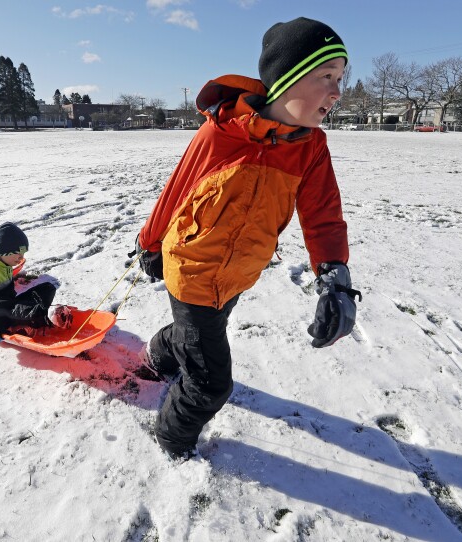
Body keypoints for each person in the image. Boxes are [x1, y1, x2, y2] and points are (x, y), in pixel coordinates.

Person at [134, 17, 360, 461]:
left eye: (340, 78)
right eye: (326, 77)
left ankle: (158, 358)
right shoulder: (220, 133)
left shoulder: (311, 147)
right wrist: (151, 241)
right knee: (211, 384)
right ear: (288, 79)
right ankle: (173, 441)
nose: (337, 92)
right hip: (193, 269)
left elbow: (324, 215)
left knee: (199, 333)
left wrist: (334, 274)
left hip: (238, 272)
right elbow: (177, 187)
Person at [0, 222, 72, 344]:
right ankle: (41, 316)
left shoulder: (3, 261)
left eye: (23, 254)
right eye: (18, 253)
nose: (21, 258)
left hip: (8, 305)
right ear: (4, 251)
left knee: (48, 288)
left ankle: (34, 318)